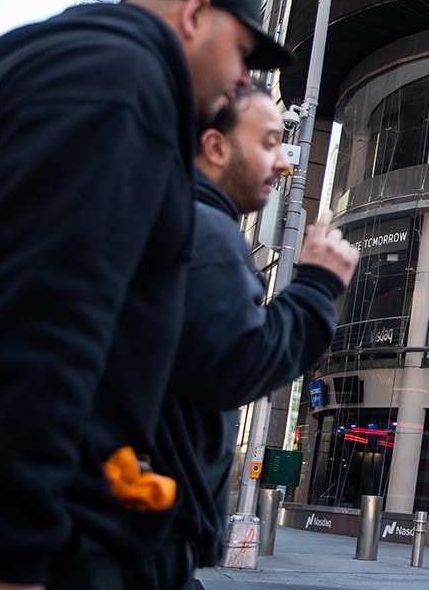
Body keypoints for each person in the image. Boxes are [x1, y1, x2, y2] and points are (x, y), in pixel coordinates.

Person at [0, 0, 291, 589]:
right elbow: (45, 321)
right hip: (43, 541)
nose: (242, 79)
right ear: (196, 13)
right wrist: (5, 554)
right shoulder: (119, 81)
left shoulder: (66, 71)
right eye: (242, 53)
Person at [141, 83, 359, 585]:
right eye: (267, 142)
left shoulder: (172, 216)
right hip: (147, 536)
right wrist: (317, 285)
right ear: (215, 146)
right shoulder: (206, 230)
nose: (284, 163)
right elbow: (235, 364)